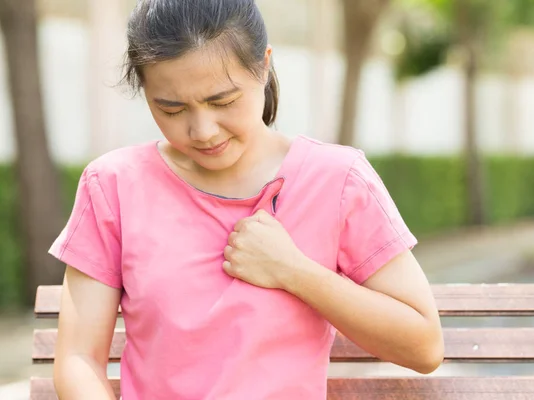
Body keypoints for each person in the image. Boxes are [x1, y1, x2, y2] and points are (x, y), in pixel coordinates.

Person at [50, 0, 444, 399]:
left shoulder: (338, 180)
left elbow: (424, 346)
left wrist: (294, 272)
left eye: (222, 101)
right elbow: (78, 358)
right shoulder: (114, 185)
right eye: (171, 108)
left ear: (264, 66)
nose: (202, 131)